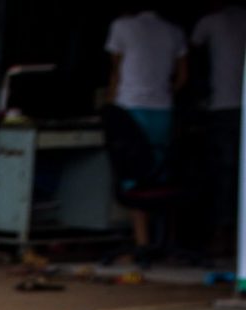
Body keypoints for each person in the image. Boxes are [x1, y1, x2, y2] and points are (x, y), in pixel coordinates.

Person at [105, 7, 188, 250]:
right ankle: (163, 241)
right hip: (162, 108)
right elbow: (183, 77)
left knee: (133, 174)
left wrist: (109, 110)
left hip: (130, 108)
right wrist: (162, 92)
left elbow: (115, 73)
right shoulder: (174, 31)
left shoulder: (122, 26)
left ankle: (142, 244)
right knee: (158, 174)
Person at [192, 2, 246, 254]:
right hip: (227, 106)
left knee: (224, 174)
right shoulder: (216, 22)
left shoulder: (211, 22)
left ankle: (223, 234)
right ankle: (225, 234)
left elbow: (192, 59)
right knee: (229, 174)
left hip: (223, 107)